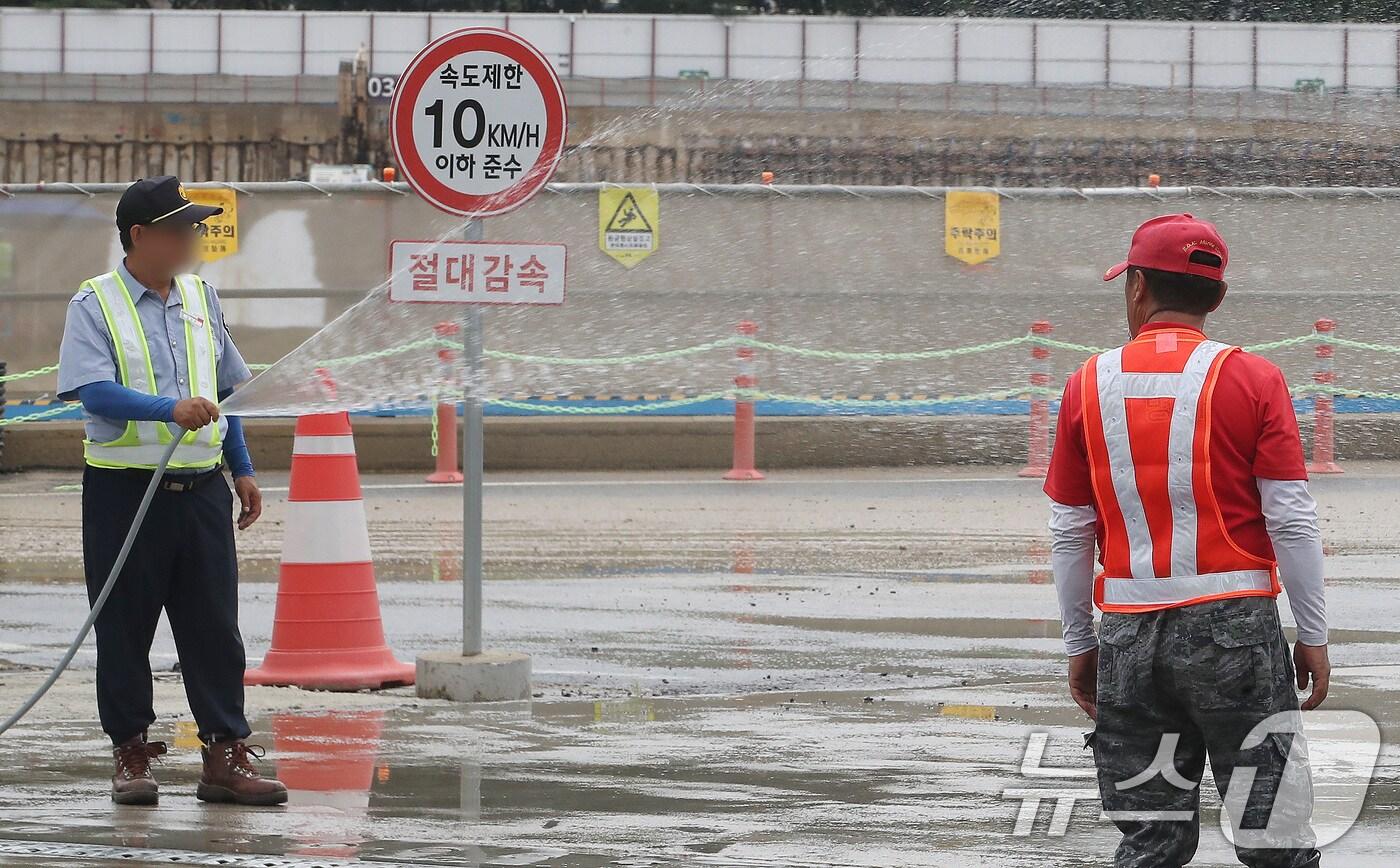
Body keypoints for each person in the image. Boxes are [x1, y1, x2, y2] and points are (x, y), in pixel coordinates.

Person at [1044, 214, 1327, 867]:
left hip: (1128, 636)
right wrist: (1312, 634)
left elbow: (1070, 528)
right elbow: (1290, 518)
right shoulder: (1255, 379)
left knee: (1152, 839)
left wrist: (1081, 642)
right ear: (1216, 296)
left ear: (1138, 287)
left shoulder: (1086, 384)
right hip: (1236, 633)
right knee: (1275, 833)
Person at [56, 176, 287, 807]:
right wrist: (167, 409)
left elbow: (226, 388)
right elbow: (92, 390)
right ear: (140, 236)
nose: (193, 239)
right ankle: (131, 753)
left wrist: (241, 468)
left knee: (214, 628)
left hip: (202, 490)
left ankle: (224, 754)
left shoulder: (201, 296)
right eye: (181, 229)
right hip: (124, 494)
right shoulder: (94, 303)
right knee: (124, 628)